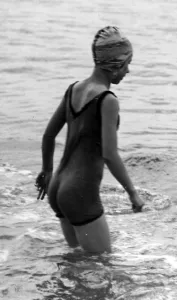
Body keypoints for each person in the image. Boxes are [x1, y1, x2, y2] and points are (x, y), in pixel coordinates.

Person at [35, 26, 144, 253]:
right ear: (114, 65)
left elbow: (48, 135)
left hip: (57, 187)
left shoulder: (74, 89)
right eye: (126, 64)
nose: (127, 71)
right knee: (101, 264)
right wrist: (132, 193)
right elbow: (109, 154)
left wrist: (47, 171)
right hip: (79, 192)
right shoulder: (107, 100)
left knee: (77, 261)